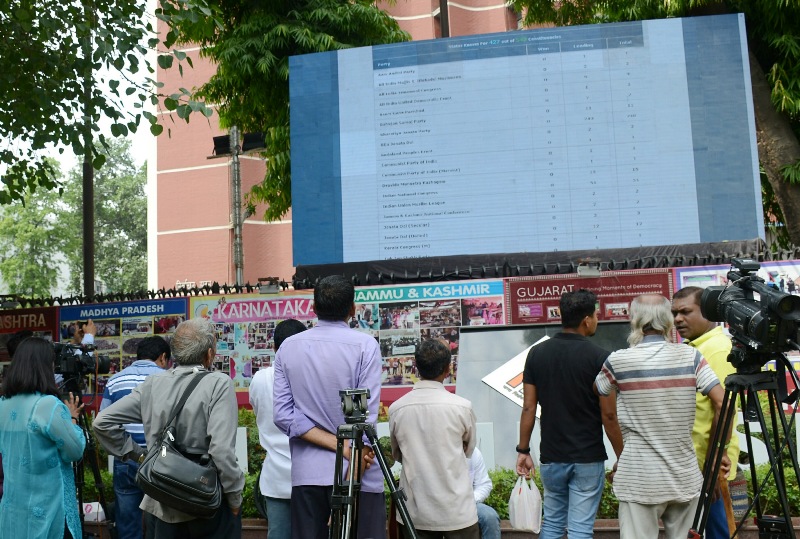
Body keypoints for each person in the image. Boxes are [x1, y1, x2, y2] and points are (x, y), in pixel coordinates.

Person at [93, 318, 245, 538]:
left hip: (162, 501)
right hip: (207, 503)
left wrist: (141, 455)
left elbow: (102, 422)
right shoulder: (218, 384)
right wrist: (234, 497)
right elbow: (221, 451)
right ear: (209, 354)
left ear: (174, 353)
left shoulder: (152, 384)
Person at [594, 294, 729, 539]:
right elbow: (723, 403)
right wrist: (717, 453)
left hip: (638, 477)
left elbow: (599, 389)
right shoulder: (691, 357)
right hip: (685, 477)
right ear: (668, 320)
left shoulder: (618, 360)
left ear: (634, 320)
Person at [273, 275, 385, 539]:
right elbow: (361, 420)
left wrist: (338, 444)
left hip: (308, 476)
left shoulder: (288, 347)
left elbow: (283, 414)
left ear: (313, 307)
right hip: (356, 475)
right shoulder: (364, 346)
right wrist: (346, 454)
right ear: (353, 309)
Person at [516, 289, 623, 539]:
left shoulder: (537, 354)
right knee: (580, 529)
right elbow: (609, 416)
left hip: (552, 456)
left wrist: (523, 450)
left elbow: (529, 407)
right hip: (587, 457)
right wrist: (623, 456)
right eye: (595, 315)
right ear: (586, 320)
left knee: (552, 524)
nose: (597, 320)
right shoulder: (600, 358)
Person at [389, 339, 479, 538]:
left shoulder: (397, 409)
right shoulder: (462, 407)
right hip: (458, 511)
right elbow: (468, 449)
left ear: (416, 367)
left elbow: (398, 455)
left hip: (415, 513)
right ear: (448, 369)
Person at [0, 337, 86, 539]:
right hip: (48, 510)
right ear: (45, 367)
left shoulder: (3, 403)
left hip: (14, 509)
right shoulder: (48, 405)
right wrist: (73, 419)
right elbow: (75, 451)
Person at [672, 286, 740, 539]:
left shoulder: (718, 349)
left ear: (708, 311)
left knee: (718, 533)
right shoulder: (693, 348)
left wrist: (714, 459)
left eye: (685, 312)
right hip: (695, 465)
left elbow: (724, 407)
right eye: (674, 313)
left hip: (710, 466)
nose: (678, 319)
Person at [99, 336, 171, 539]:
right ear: (163, 357)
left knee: (128, 523)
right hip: (161, 460)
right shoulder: (169, 380)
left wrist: (126, 448)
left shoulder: (115, 380)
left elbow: (104, 422)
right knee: (162, 522)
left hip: (127, 459)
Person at [249, 319, 307, 539]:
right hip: (312, 478)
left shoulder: (260, 379)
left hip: (275, 477)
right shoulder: (314, 377)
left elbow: (258, 411)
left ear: (274, 347)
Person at [469, 447, 501, 539]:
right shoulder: (437, 451)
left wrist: (469, 500)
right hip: (440, 506)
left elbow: (484, 485)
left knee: (490, 516)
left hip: (469, 503)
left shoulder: (473, 452)